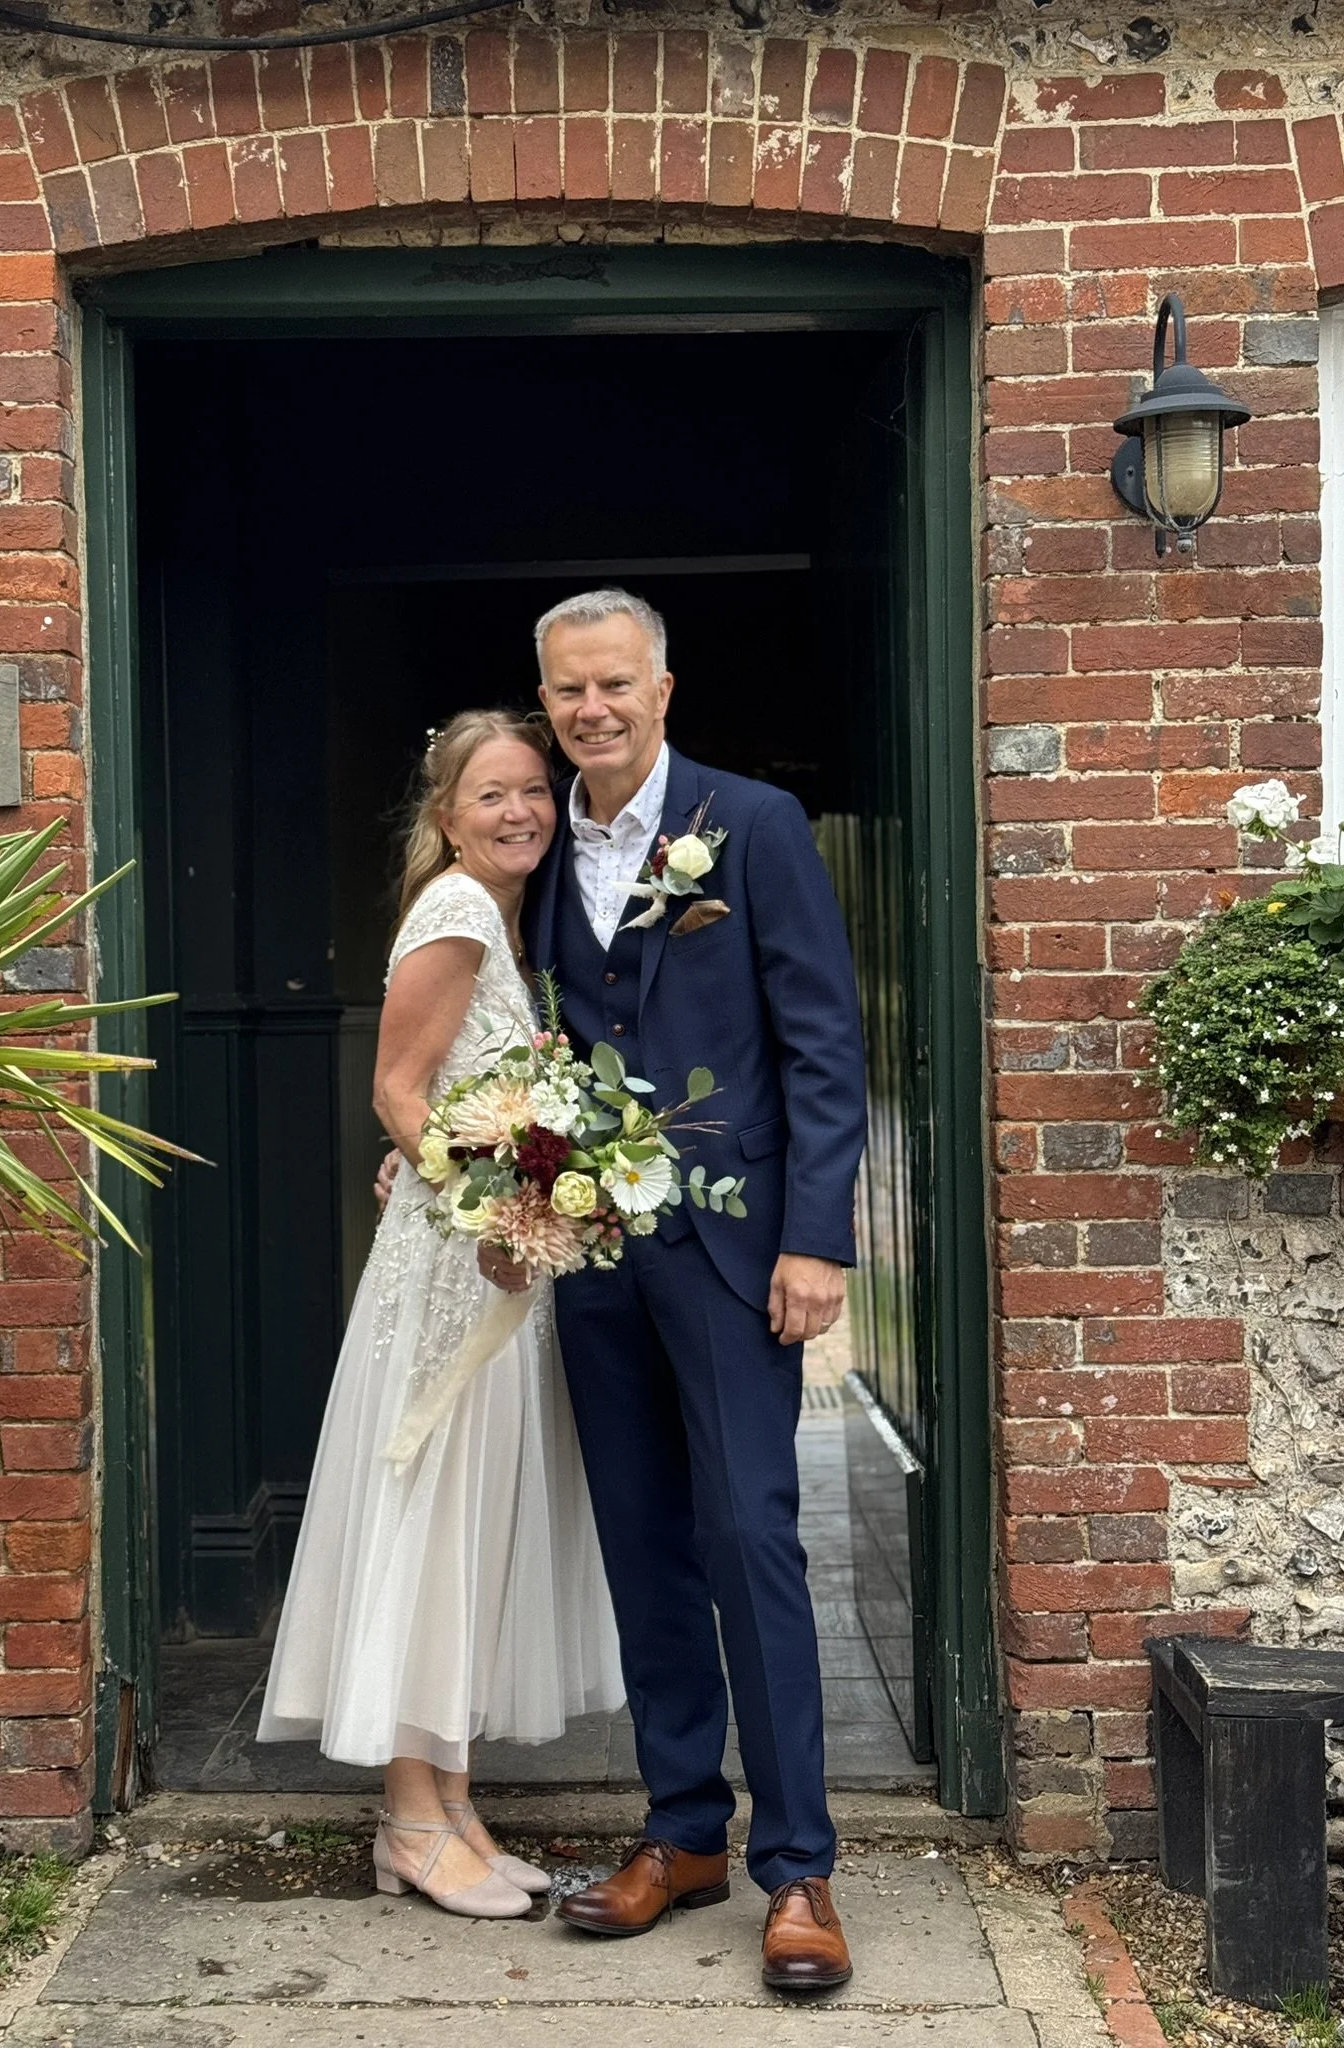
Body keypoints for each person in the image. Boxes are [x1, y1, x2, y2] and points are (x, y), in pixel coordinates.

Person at [494, 589, 868, 1990]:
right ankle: (684, 1831)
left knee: (749, 1534)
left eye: (613, 684)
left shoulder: (751, 825)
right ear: (547, 703)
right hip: (590, 1248)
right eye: (567, 691)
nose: (590, 709)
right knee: (643, 1542)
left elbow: (822, 1042)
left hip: (730, 1249)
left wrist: (815, 1238)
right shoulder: (538, 842)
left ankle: (800, 1866)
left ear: (661, 687)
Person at [257, 710, 623, 1918]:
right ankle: (412, 1819)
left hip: (492, 1264)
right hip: (458, 1277)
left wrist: (514, 1191)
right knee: (433, 1519)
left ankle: (453, 1805)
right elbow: (398, 1090)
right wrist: (496, 1214)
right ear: (447, 815)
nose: (520, 811)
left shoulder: (502, 920)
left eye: (534, 790)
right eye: (492, 794)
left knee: (469, 1525)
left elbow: (456, 1100)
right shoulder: (460, 909)